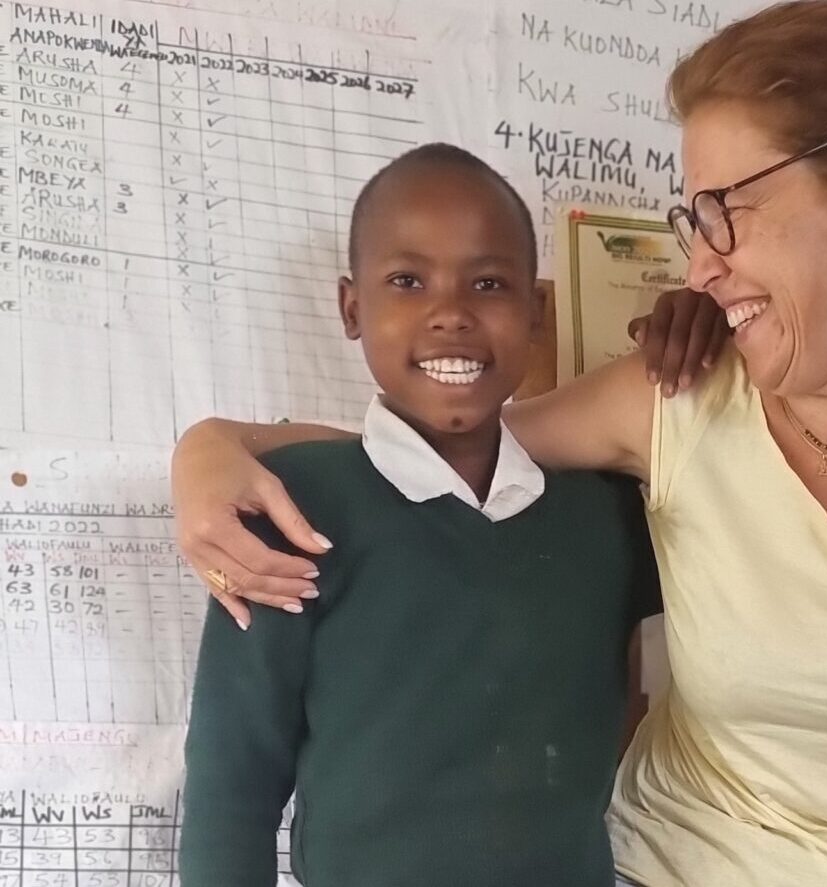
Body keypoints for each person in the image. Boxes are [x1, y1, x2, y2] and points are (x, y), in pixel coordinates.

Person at [172, 3, 827, 885]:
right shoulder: (671, 400)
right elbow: (443, 455)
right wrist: (215, 447)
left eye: (724, 210)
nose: (698, 262)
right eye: (690, 219)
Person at [179, 143, 662, 887]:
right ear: (352, 307)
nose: (450, 313)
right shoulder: (290, 509)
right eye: (407, 280)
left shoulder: (606, 516)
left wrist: (706, 320)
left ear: (534, 312)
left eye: (489, 282)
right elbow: (231, 785)